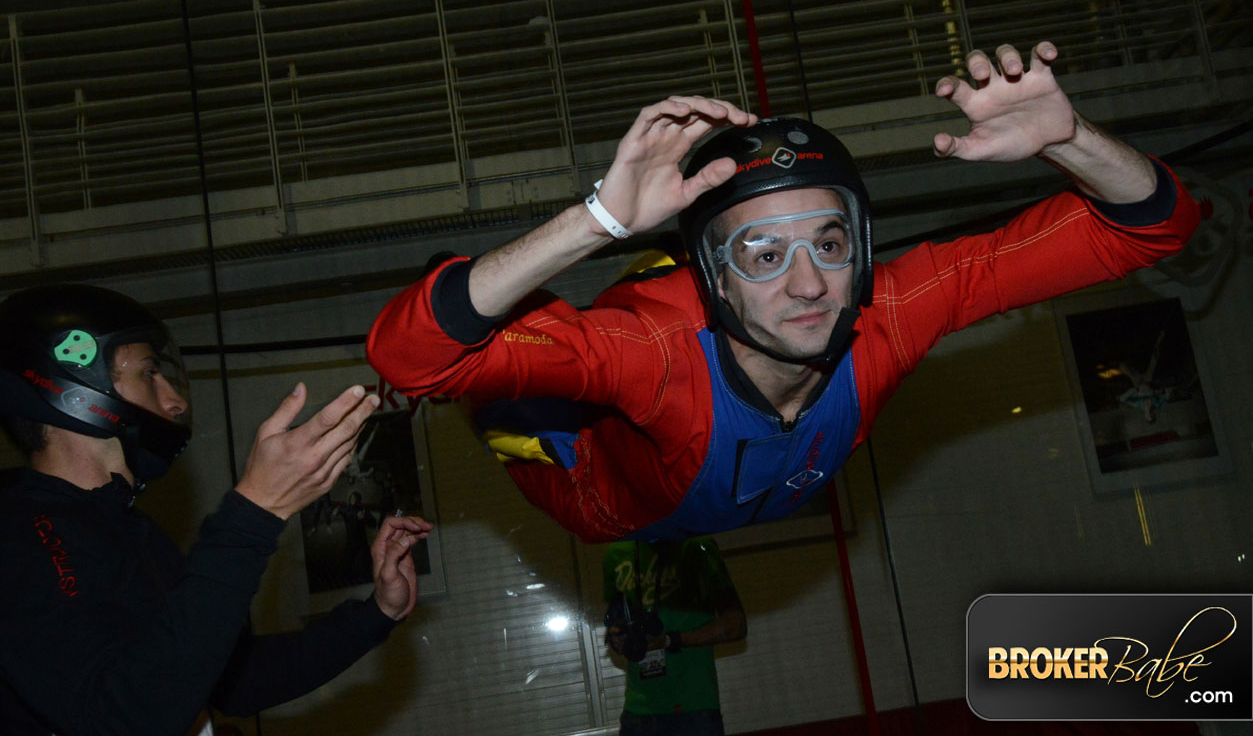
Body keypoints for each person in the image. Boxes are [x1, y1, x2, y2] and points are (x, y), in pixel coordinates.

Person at [367, 41, 1199, 542]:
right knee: (504, 376)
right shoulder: (650, 359)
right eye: (764, 254)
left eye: (829, 244)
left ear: (859, 248)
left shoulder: (886, 312)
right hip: (592, 482)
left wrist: (1073, 139)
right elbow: (410, 359)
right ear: (714, 271)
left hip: (697, 355)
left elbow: (1152, 227)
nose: (810, 284)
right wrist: (596, 221)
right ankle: (525, 278)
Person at [0, 284, 433, 735]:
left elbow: (228, 680)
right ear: (76, 384)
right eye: (150, 373)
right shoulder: (17, 540)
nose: (175, 400)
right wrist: (256, 509)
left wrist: (377, 612)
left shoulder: (129, 530)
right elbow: (126, 717)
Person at [602, 537, 746, 735]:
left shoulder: (695, 545)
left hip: (693, 707)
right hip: (638, 710)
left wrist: (670, 640)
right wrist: (618, 638)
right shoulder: (617, 552)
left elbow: (735, 625)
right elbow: (615, 620)